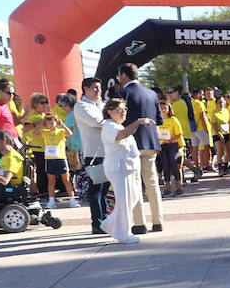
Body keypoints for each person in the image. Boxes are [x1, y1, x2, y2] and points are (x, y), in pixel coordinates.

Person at [116, 63, 163, 235]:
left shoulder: (122, 94)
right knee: (152, 182)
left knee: (135, 183)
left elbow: (117, 119)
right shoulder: (152, 94)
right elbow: (159, 119)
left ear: (124, 75)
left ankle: (140, 223)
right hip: (150, 141)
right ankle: (158, 221)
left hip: (131, 143)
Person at [99, 98, 151, 244]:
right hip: (119, 168)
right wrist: (138, 122)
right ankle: (123, 234)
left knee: (132, 198)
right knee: (124, 201)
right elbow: (121, 135)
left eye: (125, 109)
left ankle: (110, 224)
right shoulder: (109, 126)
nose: (123, 112)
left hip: (128, 168)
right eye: (120, 110)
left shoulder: (118, 125)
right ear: (110, 112)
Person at [73, 78, 107, 233]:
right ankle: (97, 223)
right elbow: (97, 122)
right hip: (93, 153)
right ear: (85, 89)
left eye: (99, 87)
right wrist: (111, 120)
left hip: (107, 151)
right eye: (94, 88)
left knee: (105, 190)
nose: (98, 91)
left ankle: (105, 219)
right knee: (96, 189)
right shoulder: (81, 106)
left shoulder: (101, 105)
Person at [37, 111, 77, 208]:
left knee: (66, 180)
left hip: (61, 158)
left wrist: (62, 124)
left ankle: (72, 200)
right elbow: (34, 134)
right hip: (50, 159)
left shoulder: (61, 131)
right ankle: (51, 201)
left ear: (56, 122)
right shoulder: (45, 132)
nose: (50, 124)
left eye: (52, 122)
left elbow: (70, 133)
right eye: (48, 123)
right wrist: (41, 125)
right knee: (51, 181)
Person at [156, 100, 185, 198]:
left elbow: (179, 134)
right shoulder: (157, 121)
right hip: (162, 146)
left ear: (169, 109)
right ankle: (167, 188)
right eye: (161, 108)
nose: (163, 110)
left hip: (173, 145)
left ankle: (179, 187)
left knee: (174, 165)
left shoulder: (173, 120)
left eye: (165, 108)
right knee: (165, 167)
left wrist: (170, 140)